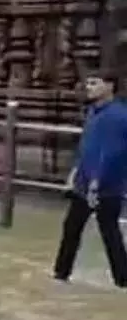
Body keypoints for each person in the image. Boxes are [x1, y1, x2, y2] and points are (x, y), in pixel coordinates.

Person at [52, 72, 127, 288]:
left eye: (95, 83)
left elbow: (112, 152)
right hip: (84, 182)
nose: (89, 87)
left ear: (110, 86)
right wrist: (74, 172)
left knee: (109, 232)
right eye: (88, 82)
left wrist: (97, 182)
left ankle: (122, 279)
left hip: (106, 186)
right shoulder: (93, 112)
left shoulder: (118, 116)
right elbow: (87, 147)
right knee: (72, 227)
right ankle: (61, 273)